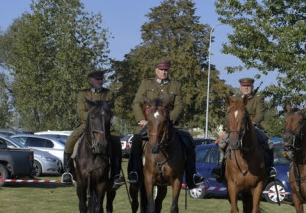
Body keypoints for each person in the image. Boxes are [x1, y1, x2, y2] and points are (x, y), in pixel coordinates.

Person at [126, 60, 205, 188]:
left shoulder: (175, 85)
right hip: (150, 123)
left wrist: (168, 120)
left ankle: (192, 175)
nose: (164, 72)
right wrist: (141, 119)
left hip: (170, 124)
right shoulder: (146, 84)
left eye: (166, 70)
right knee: (136, 140)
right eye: (161, 70)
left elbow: (179, 105)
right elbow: (136, 103)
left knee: (188, 140)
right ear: (156, 70)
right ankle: (134, 172)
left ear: (169, 71)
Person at [61, 69, 124, 187]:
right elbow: (81, 112)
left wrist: (103, 118)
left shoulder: (109, 93)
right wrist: (92, 119)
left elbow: (112, 110)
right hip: (87, 124)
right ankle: (67, 171)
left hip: (104, 126)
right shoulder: (83, 94)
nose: (100, 81)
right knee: (70, 141)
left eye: (101, 79)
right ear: (91, 80)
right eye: (97, 79)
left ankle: (116, 174)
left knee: (116, 142)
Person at [214, 77, 275, 183]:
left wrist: (252, 124)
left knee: (269, 143)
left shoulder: (258, 98)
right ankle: (220, 167)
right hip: (236, 128)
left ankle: (269, 169)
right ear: (240, 87)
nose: (246, 88)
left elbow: (260, 114)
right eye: (244, 86)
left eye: (248, 86)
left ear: (252, 87)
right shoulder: (235, 99)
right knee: (222, 143)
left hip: (253, 127)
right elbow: (229, 115)